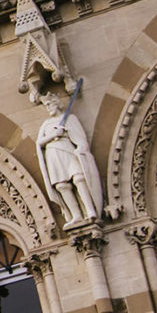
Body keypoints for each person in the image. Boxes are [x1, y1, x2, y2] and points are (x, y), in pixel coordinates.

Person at [35, 91, 103, 228]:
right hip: (53, 154)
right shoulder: (47, 123)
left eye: (50, 104)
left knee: (79, 178)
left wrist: (80, 148)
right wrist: (54, 134)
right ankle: (76, 215)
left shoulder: (70, 118)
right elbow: (39, 142)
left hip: (67, 149)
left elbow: (81, 138)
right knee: (61, 185)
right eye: (46, 105)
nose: (48, 107)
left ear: (57, 104)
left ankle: (90, 210)